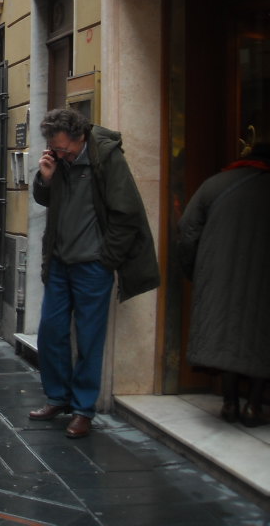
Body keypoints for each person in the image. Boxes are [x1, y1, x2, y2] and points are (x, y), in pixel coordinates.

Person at [30, 108, 159, 439]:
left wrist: (107, 259)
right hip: (59, 262)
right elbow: (45, 200)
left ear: (80, 137)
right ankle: (58, 397)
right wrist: (45, 178)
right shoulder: (59, 161)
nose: (59, 154)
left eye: (63, 148)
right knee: (50, 332)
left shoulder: (107, 158)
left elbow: (127, 213)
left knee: (89, 339)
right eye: (54, 149)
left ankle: (83, 409)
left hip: (92, 266)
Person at [176, 138, 270, 427]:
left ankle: (230, 403)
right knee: (261, 337)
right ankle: (254, 405)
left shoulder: (215, 184)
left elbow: (187, 230)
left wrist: (195, 271)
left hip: (219, 277)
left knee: (225, 335)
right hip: (263, 278)